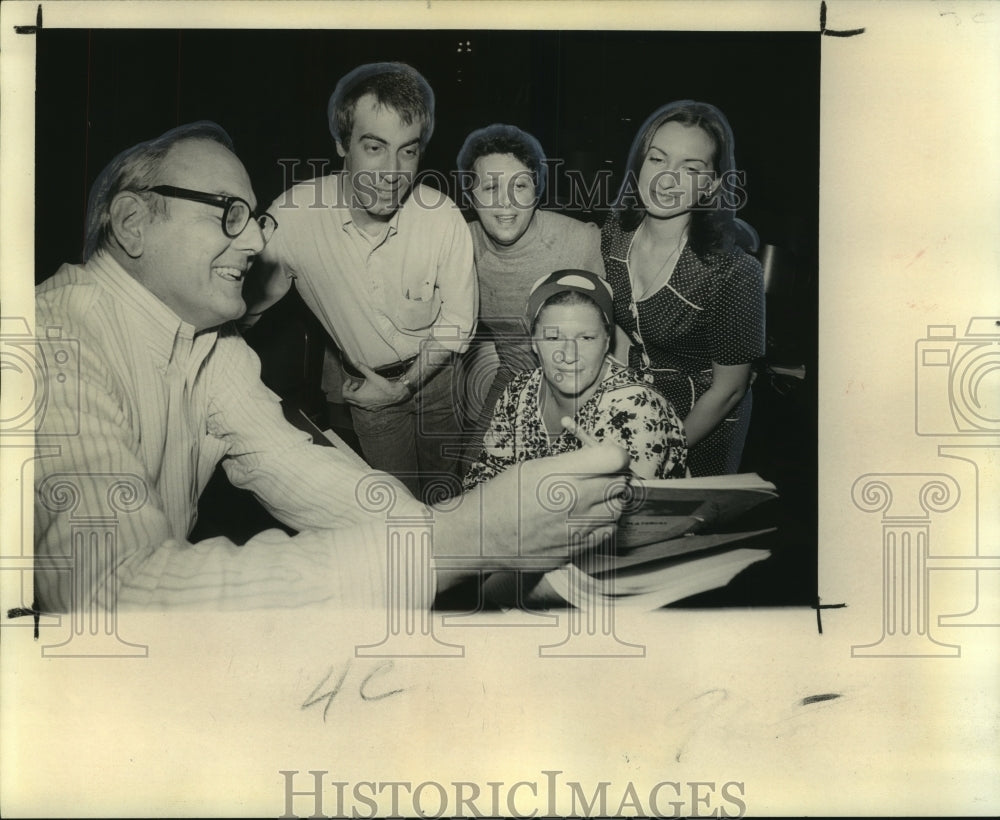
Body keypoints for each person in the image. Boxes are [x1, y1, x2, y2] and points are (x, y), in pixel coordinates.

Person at [32, 121, 631, 613]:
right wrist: (465, 539)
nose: (254, 242)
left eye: (252, 217)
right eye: (229, 213)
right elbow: (109, 596)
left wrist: (473, 540)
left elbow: (308, 474)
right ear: (132, 224)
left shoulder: (213, 349)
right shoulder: (49, 341)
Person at [245, 62, 477, 501]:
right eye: (374, 147)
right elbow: (241, 310)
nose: (393, 172)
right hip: (369, 395)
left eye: (408, 151)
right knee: (396, 509)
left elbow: (459, 321)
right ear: (341, 144)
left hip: (442, 381)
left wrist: (405, 385)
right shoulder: (294, 217)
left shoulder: (443, 217)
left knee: (448, 497)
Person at [602, 100, 765, 476]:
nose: (666, 179)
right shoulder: (615, 233)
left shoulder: (734, 271)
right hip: (637, 405)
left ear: (711, 184)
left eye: (690, 169)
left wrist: (661, 450)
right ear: (639, 163)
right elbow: (620, 330)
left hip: (702, 425)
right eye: (657, 159)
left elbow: (729, 390)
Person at [455, 124, 605, 467]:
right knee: (472, 467)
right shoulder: (459, 243)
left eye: (520, 186)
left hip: (581, 378)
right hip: (514, 376)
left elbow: (610, 333)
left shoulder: (578, 241)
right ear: (471, 196)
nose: (505, 201)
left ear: (537, 192)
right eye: (490, 187)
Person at [463, 269, 687, 491]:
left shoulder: (639, 408)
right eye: (553, 337)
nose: (569, 355)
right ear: (534, 342)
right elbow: (485, 476)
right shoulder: (518, 391)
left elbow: (630, 509)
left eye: (586, 338)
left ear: (606, 342)